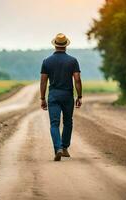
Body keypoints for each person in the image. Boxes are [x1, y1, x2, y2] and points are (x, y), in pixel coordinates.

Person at [40, 33, 82, 161]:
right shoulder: (73, 61)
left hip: (53, 95)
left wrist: (42, 98)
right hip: (67, 95)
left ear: (55, 45)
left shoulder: (47, 61)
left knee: (54, 123)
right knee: (68, 122)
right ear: (65, 45)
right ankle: (64, 148)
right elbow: (77, 79)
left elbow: (43, 81)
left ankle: (57, 148)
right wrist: (79, 96)